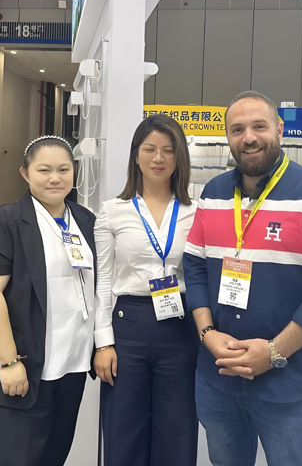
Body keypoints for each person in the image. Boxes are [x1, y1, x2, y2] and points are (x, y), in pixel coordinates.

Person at [183, 91, 302, 466]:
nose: (249, 137)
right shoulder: (213, 194)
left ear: (279, 129)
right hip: (219, 378)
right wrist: (207, 333)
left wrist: (275, 351)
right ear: (227, 137)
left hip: (292, 383)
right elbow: (194, 266)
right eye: (237, 129)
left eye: (259, 126)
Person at [0, 136, 97, 466]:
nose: (55, 178)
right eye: (44, 170)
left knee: (53, 455)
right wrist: (8, 362)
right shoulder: (4, 221)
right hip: (23, 365)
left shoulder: (85, 220)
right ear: (25, 173)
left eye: (64, 170)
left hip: (72, 365)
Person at [93, 114, 198, 466]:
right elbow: (103, 282)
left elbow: (200, 276)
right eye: (150, 149)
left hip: (180, 329)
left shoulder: (195, 212)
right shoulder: (113, 211)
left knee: (178, 429)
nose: (158, 158)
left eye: (168, 150)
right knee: (124, 429)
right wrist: (103, 343)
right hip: (129, 328)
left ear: (179, 157)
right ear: (136, 155)